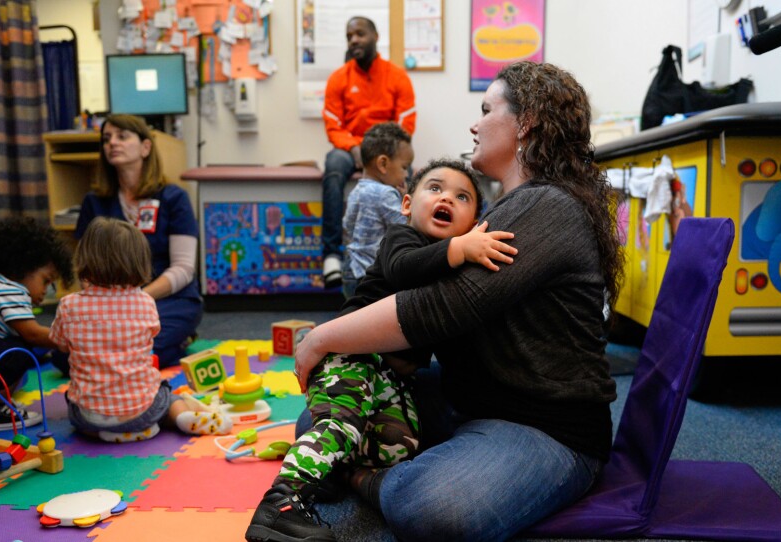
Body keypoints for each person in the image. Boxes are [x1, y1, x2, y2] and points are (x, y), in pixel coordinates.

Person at [291, 61, 623, 542]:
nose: (474, 123)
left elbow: (439, 308)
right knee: (317, 422)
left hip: (544, 427)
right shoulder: (502, 210)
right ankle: (404, 459)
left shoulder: (548, 206)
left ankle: (369, 479)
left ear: (524, 123)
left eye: (486, 110)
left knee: (430, 507)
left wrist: (319, 338)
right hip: (469, 398)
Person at [245, 159, 518, 542]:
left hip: (393, 376)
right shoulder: (402, 239)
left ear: (474, 221)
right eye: (435, 189)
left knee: (398, 445)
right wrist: (459, 248)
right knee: (341, 424)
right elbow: (405, 269)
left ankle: (334, 471)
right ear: (407, 205)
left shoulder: (454, 268)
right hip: (353, 355)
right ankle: (280, 505)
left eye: (462, 197)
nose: (447, 199)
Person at [50, 217, 232, 442]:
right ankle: (180, 417)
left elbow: (59, 344)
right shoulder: (145, 302)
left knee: (72, 399)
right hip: (143, 411)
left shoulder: (69, 305)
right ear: (140, 262)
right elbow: (150, 338)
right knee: (166, 394)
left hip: (91, 417)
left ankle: (104, 433)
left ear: (84, 259)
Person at [75, 114, 202, 368]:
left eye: (122, 136)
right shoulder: (94, 201)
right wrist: (101, 302)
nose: (112, 143)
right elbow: (84, 266)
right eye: (107, 138)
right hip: (109, 303)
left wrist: (137, 298)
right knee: (67, 352)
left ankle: (178, 341)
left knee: (144, 347)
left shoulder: (173, 197)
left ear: (145, 147)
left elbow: (184, 268)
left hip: (167, 299)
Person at [320, 16, 416, 289]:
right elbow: (332, 124)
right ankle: (331, 256)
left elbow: (405, 124)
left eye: (360, 34)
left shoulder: (397, 76)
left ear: (375, 36)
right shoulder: (338, 78)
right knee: (333, 166)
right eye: (349, 36)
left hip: (386, 149)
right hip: (349, 148)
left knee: (409, 173)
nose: (354, 40)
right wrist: (354, 148)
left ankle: (408, 252)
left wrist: (381, 152)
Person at [0, 216, 74, 430]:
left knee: (20, 352)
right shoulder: (11, 289)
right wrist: (70, 339)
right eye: (46, 280)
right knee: (20, 351)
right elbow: (32, 333)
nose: (48, 290)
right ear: (22, 268)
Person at [341, 122, 413, 298]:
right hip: (370, 275)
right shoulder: (385, 194)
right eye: (404, 167)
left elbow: (347, 225)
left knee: (354, 319)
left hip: (350, 269)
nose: (406, 175)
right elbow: (406, 227)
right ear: (383, 164)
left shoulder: (356, 191)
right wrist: (408, 201)